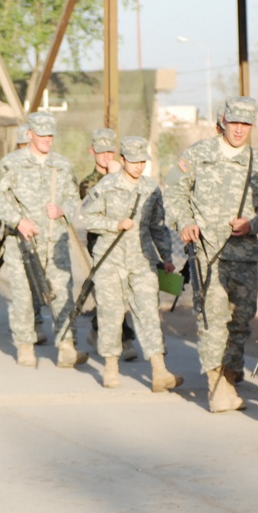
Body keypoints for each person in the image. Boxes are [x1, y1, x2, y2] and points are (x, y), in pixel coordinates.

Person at [164, 96, 258, 413]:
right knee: (212, 319)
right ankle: (217, 385)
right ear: (222, 121)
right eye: (235, 123)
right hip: (207, 253)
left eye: (246, 124)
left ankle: (230, 376)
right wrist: (185, 221)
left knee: (241, 321)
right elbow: (174, 191)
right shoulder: (199, 154)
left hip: (246, 255)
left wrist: (254, 223)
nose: (240, 130)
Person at [81, 137, 182, 391]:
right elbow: (85, 216)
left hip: (142, 260)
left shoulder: (151, 188)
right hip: (110, 260)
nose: (138, 166)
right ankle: (110, 367)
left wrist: (167, 257)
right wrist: (114, 225)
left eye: (142, 161)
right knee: (111, 314)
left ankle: (159, 371)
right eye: (134, 161)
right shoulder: (106, 186)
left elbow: (158, 227)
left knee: (148, 312)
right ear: (123, 160)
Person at [0, 111, 85, 368]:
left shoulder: (63, 165)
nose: (46, 140)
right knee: (21, 295)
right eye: (41, 135)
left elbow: (74, 198)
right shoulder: (9, 164)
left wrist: (63, 209)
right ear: (30, 134)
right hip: (22, 244)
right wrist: (17, 220)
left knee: (63, 293)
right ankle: (25, 345)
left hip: (55, 243)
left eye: (50, 135)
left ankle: (66, 345)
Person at [79, 127, 138, 361]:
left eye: (110, 152)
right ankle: (124, 339)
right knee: (112, 293)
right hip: (102, 244)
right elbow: (90, 208)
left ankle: (96, 330)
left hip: (127, 243)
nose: (106, 157)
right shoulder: (89, 182)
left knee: (119, 293)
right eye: (101, 152)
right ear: (92, 151)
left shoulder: (126, 177)